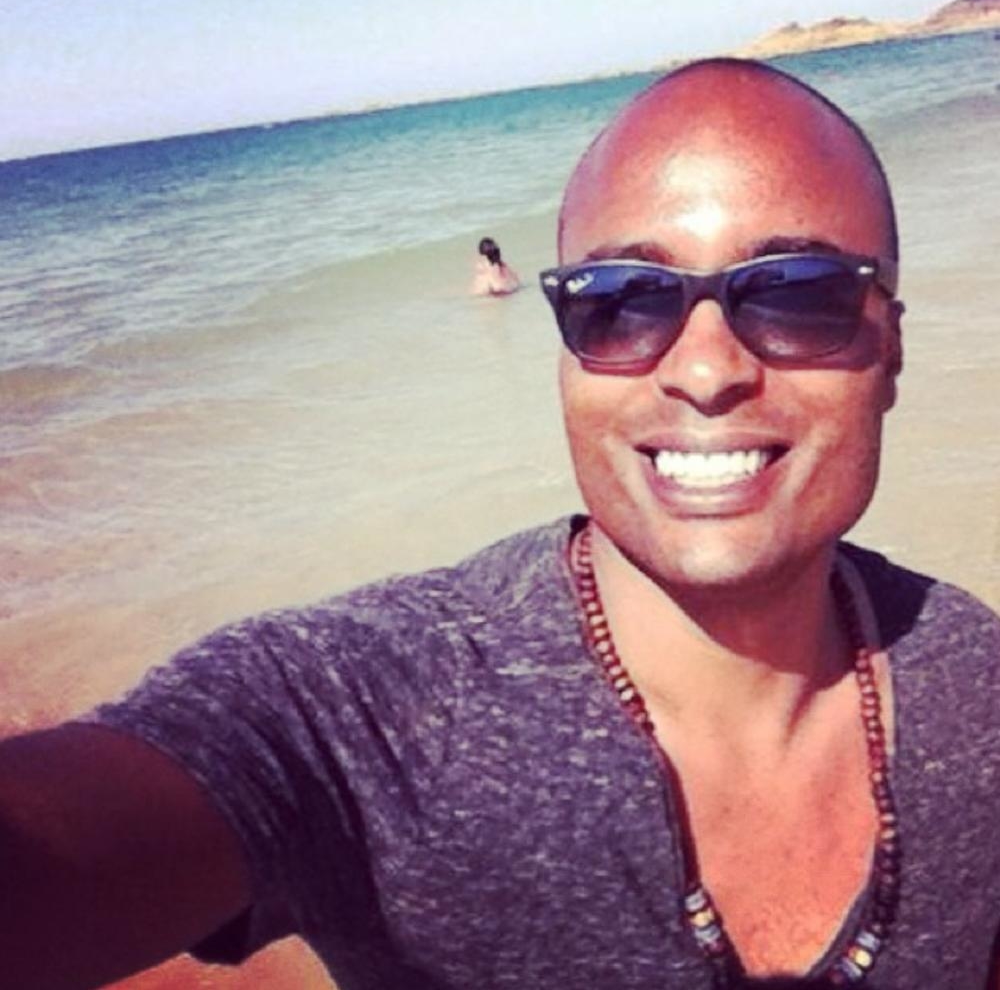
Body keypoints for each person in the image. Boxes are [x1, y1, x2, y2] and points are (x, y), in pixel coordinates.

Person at [3, 58, 999, 990]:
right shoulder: (364, 713)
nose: (704, 369)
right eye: (620, 301)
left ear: (890, 349)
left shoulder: (975, 682)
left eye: (795, 293)